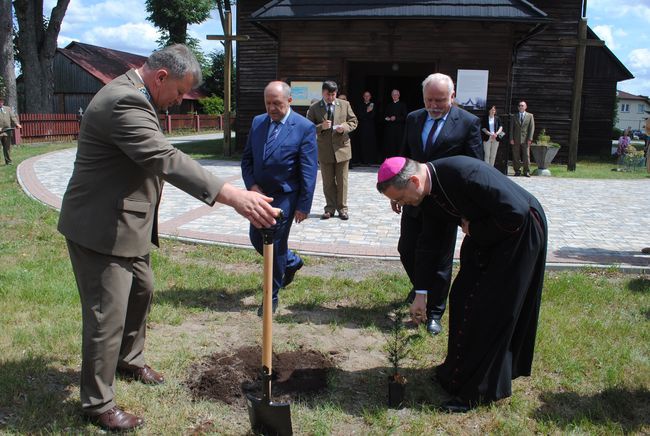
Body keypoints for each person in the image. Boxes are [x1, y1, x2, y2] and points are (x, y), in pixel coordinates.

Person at [57, 44, 279, 432]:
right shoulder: (124, 101)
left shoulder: (139, 94)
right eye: (179, 93)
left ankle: (129, 359)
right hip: (101, 227)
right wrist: (232, 196)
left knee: (141, 290)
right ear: (161, 77)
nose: (179, 102)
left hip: (128, 225)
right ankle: (98, 403)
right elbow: (165, 158)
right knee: (105, 315)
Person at [377, 156, 547, 413]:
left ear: (413, 181)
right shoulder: (427, 193)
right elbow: (429, 244)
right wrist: (421, 292)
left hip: (518, 233)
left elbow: (516, 213)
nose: (401, 205)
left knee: (488, 309)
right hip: (487, 232)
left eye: (400, 198)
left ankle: (477, 392)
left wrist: (475, 230)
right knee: (461, 298)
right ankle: (455, 373)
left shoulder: (464, 173)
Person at [395, 73, 483, 336]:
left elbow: (475, 170)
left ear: (452, 97)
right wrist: (397, 193)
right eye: (429, 99)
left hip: (446, 204)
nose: (433, 105)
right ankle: (421, 286)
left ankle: (434, 312)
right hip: (414, 199)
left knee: (441, 261)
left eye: (440, 100)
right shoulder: (413, 119)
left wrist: (469, 211)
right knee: (407, 249)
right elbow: (404, 157)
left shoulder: (468, 123)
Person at [241, 81, 318, 315]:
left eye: (277, 103)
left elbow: (308, 170)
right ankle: (292, 262)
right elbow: (247, 160)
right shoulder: (257, 123)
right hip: (260, 195)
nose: (272, 108)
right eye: (268, 103)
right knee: (257, 238)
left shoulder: (304, 127)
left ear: (289, 101)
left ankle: (270, 296)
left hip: (285, 196)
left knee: (272, 243)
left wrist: (304, 205)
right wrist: (252, 186)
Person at [307, 80, 358, 220]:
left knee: (342, 181)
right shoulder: (314, 108)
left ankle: (342, 209)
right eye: (328, 94)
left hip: (342, 149)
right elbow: (308, 128)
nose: (330, 97)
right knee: (328, 182)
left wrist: (345, 128)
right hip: (324, 151)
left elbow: (353, 121)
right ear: (322, 92)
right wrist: (321, 127)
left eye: (333, 94)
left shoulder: (345, 105)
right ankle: (329, 208)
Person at [509, 101, 535, 177]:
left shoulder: (530, 116)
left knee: (526, 156)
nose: (521, 107)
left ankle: (526, 171)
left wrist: (530, 138)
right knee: (516, 155)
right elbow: (511, 129)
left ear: (525, 107)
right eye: (519, 105)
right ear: (518, 107)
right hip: (515, 139)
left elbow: (531, 128)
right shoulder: (514, 116)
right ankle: (517, 171)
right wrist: (511, 138)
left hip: (526, 139)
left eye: (522, 105)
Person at [354, 90, 378, 165]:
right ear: (363, 97)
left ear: (370, 97)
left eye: (368, 96)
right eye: (365, 96)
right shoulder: (360, 105)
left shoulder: (373, 105)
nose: (367, 97)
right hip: (361, 127)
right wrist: (367, 111)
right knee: (361, 143)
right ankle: (361, 160)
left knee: (369, 143)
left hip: (370, 127)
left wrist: (365, 114)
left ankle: (369, 160)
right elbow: (359, 115)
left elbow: (373, 116)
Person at [383, 89, 408, 158]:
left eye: (396, 94)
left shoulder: (402, 105)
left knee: (399, 145)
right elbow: (384, 116)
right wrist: (387, 118)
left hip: (399, 129)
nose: (395, 96)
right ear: (391, 96)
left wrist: (396, 118)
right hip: (390, 129)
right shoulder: (389, 105)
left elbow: (405, 117)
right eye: (393, 95)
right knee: (390, 145)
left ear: (399, 95)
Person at [0, 95, 22, 165]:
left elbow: (13, 117)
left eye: (1, 101)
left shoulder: (8, 109)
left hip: (7, 131)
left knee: (7, 147)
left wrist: (17, 124)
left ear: (3, 102)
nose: (0, 103)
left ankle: (8, 161)